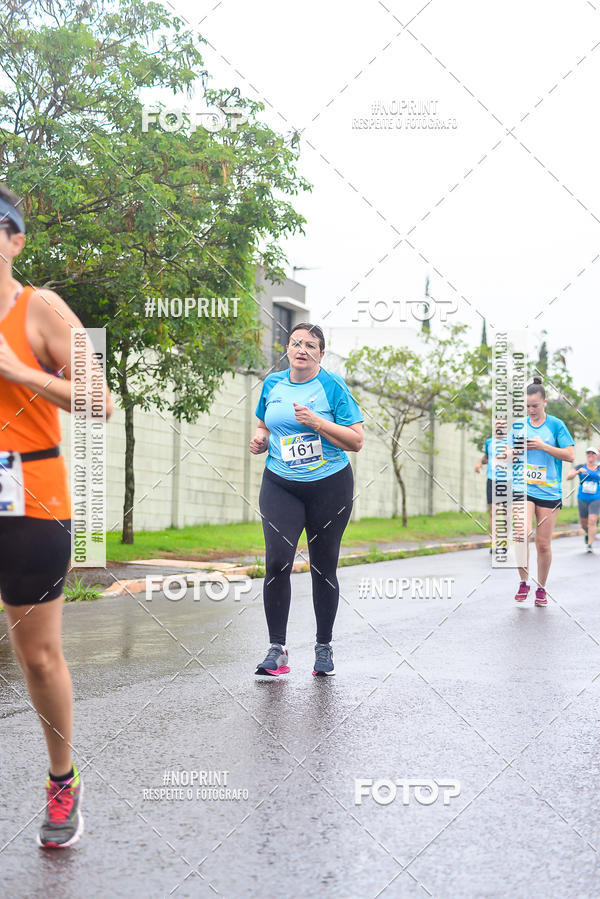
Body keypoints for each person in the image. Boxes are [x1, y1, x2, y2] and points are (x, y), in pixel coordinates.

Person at [0, 184, 113, 848]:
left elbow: (99, 400)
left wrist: (16, 371)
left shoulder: (38, 307)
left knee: (37, 655)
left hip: (30, 498)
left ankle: (62, 777)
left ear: (15, 239)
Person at [249, 322, 364, 677]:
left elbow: (356, 440)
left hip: (329, 485)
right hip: (281, 483)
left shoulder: (332, 386)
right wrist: (260, 439)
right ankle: (276, 649)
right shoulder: (273, 384)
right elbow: (263, 424)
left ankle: (323, 647)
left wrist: (317, 422)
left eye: (310, 345)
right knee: (277, 562)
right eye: (296, 343)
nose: (302, 349)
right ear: (287, 348)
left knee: (323, 566)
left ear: (321, 353)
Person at [513, 377, 574, 606]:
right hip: (523, 487)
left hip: (549, 493)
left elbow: (569, 455)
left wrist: (543, 446)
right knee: (521, 533)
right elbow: (504, 457)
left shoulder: (556, 425)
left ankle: (541, 587)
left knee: (543, 544)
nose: (531, 410)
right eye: (527, 406)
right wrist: (515, 451)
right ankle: (523, 582)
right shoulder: (518, 425)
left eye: (535, 406)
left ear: (545, 402)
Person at [567, 448, 600, 553]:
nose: (590, 455)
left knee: (592, 521)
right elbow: (568, 477)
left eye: (593, 453)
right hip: (582, 498)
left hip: (596, 498)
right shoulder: (581, 467)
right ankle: (587, 532)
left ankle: (589, 545)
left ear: (596, 456)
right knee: (584, 523)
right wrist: (577, 472)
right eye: (588, 453)